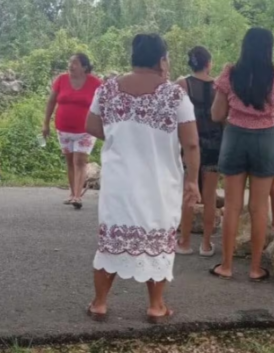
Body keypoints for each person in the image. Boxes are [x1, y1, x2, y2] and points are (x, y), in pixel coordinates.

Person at [85, 33, 201, 322]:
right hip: (159, 185)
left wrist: (120, 137)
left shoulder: (107, 89)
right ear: (161, 60)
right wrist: (192, 179)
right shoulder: (174, 94)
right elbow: (191, 144)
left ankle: (99, 303)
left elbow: (91, 125)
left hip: (118, 182)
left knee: (112, 241)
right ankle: (155, 305)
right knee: (157, 241)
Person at [210, 28, 274, 281]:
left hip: (235, 138)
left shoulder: (230, 75)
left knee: (232, 206)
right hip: (266, 140)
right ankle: (255, 268)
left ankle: (225, 266)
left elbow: (216, 115)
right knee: (259, 208)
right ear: (269, 48)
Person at [175, 46, 223, 257]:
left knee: (188, 192)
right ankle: (205, 244)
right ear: (208, 63)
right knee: (210, 195)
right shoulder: (219, 86)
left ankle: (184, 242)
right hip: (215, 143)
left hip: (190, 143)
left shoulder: (182, 84)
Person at [43, 53, 101, 210]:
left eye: (75, 63)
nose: (70, 65)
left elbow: (104, 103)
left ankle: (77, 196)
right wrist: (46, 123)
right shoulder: (61, 80)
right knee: (70, 162)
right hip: (63, 129)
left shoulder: (95, 82)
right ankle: (72, 193)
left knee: (80, 161)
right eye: (70, 62)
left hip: (85, 130)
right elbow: (51, 101)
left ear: (84, 67)